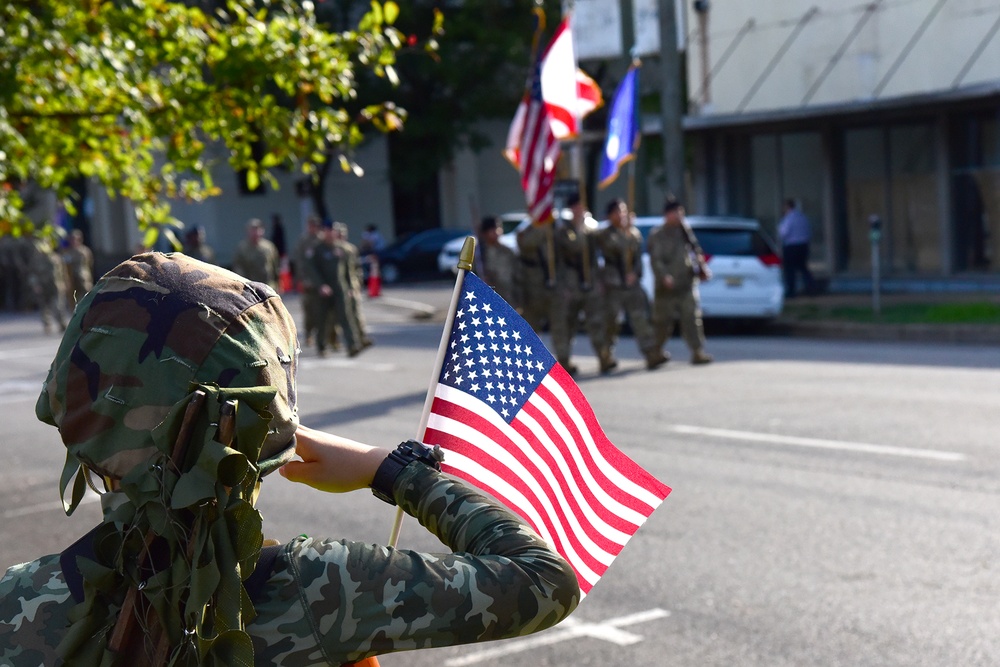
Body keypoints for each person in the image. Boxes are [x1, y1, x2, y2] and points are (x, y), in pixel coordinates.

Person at [0, 252, 579, 666]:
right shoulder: (319, 590)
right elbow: (545, 581)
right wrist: (394, 470)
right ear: (265, 426)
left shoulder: (17, 603)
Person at [595, 199, 668, 372]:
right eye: (618, 212)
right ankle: (605, 356)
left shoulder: (633, 233)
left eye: (623, 211)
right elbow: (615, 247)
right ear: (610, 215)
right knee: (611, 322)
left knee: (641, 319)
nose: (621, 215)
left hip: (631, 285)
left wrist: (635, 274)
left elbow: (637, 258)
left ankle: (651, 353)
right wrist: (625, 231)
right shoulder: (606, 234)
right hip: (613, 285)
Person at [647, 198, 713, 365]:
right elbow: (656, 260)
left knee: (692, 317)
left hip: (686, 283)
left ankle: (697, 351)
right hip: (666, 287)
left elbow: (695, 250)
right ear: (667, 214)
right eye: (676, 212)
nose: (679, 216)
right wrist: (663, 276)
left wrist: (702, 268)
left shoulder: (685, 231)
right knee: (663, 322)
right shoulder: (658, 234)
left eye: (681, 212)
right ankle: (655, 351)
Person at [549, 195, 609, 376]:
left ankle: (605, 357)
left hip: (589, 281)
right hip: (570, 284)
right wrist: (580, 226)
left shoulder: (591, 228)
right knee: (567, 325)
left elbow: (601, 245)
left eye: (581, 206)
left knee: (596, 322)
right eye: (576, 207)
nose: (579, 210)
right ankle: (565, 361)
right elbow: (575, 246)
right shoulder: (564, 230)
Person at [303, 221, 362, 357]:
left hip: (340, 287)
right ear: (324, 232)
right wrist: (320, 285)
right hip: (323, 289)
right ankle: (322, 346)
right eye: (328, 231)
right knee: (322, 319)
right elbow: (311, 269)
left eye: (333, 231)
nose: (331, 233)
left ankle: (352, 345)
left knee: (345, 317)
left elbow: (348, 270)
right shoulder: (317, 249)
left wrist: (351, 287)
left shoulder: (341, 249)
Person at [515, 220, 554, 333]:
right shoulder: (525, 231)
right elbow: (527, 244)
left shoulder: (556, 230)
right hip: (531, 285)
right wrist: (541, 229)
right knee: (531, 322)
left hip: (553, 284)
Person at [475, 216, 519, 307]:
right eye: (492, 230)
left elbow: (517, 274)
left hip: (508, 298)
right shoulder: (477, 254)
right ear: (485, 233)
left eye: (497, 228)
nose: (496, 232)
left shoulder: (507, 251)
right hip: (486, 300)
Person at [293, 215, 323, 347]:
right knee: (308, 310)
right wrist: (301, 279)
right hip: (307, 282)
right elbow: (300, 261)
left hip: (321, 282)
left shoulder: (322, 241)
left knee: (322, 311)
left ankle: (323, 336)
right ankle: (309, 334)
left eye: (315, 225)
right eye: (311, 225)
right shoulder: (304, 241)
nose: (313, 228)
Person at [778, 198, 815, 298]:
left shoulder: (788, 218)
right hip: (803, 245)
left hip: (791, 246)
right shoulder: (802, 217)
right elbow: (808, 231)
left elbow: (783, 233)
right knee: (803, 267)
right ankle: (810, 288)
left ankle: (791, 291)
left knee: (790, 270)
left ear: (787, 207)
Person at [232, 218, 281, 290]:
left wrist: (277, 283)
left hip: (268, 286)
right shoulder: (242, 249)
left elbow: (275, 266)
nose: (256, 232)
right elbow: (238, 268)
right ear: (248, 231)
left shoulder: (269, 247)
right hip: (250, 287)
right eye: (253, 230)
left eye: (258, 229)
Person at [62, 229, 94, 307]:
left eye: (76, 239)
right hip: (72, 278)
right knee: (73, 299)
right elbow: (64, 267)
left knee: (87, 296)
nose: (74, 241)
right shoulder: (67, 252)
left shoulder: (85, 251)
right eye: (72, 239)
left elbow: (90, 264)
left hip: (84, 278)